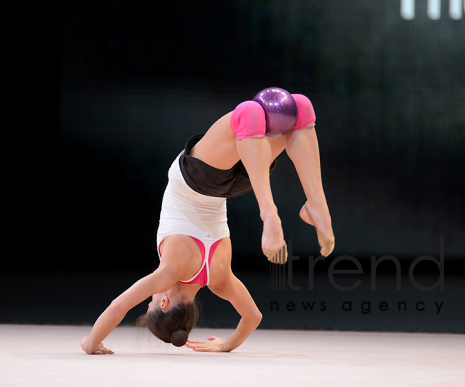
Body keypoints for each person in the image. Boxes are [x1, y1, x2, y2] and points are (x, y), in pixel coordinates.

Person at [81, 91, 335, 354]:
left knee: (296, 112)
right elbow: (117, 307)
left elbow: (253, 317)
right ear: (164, 302)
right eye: (151, 303)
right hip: (199, 177)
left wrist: (226, 345)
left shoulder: (221, 278)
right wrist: (90, 343)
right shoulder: (167, 273)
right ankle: (276, 210)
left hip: (240, 183)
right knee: (249, 113)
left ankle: (313, 204)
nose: (153, 297)